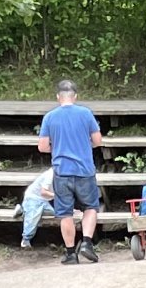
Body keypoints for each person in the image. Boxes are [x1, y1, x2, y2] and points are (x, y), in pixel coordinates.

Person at [35, 81, 104, 263]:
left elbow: (42, 147)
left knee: (65, 213)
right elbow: (98, 141)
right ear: (75, 96)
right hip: (85, 170)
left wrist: (58, 147)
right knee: (90, 207)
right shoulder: (85, 113)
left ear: (58, 97)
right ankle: (87, 243)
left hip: (62, 172)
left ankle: (71, 253)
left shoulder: (49, 117)